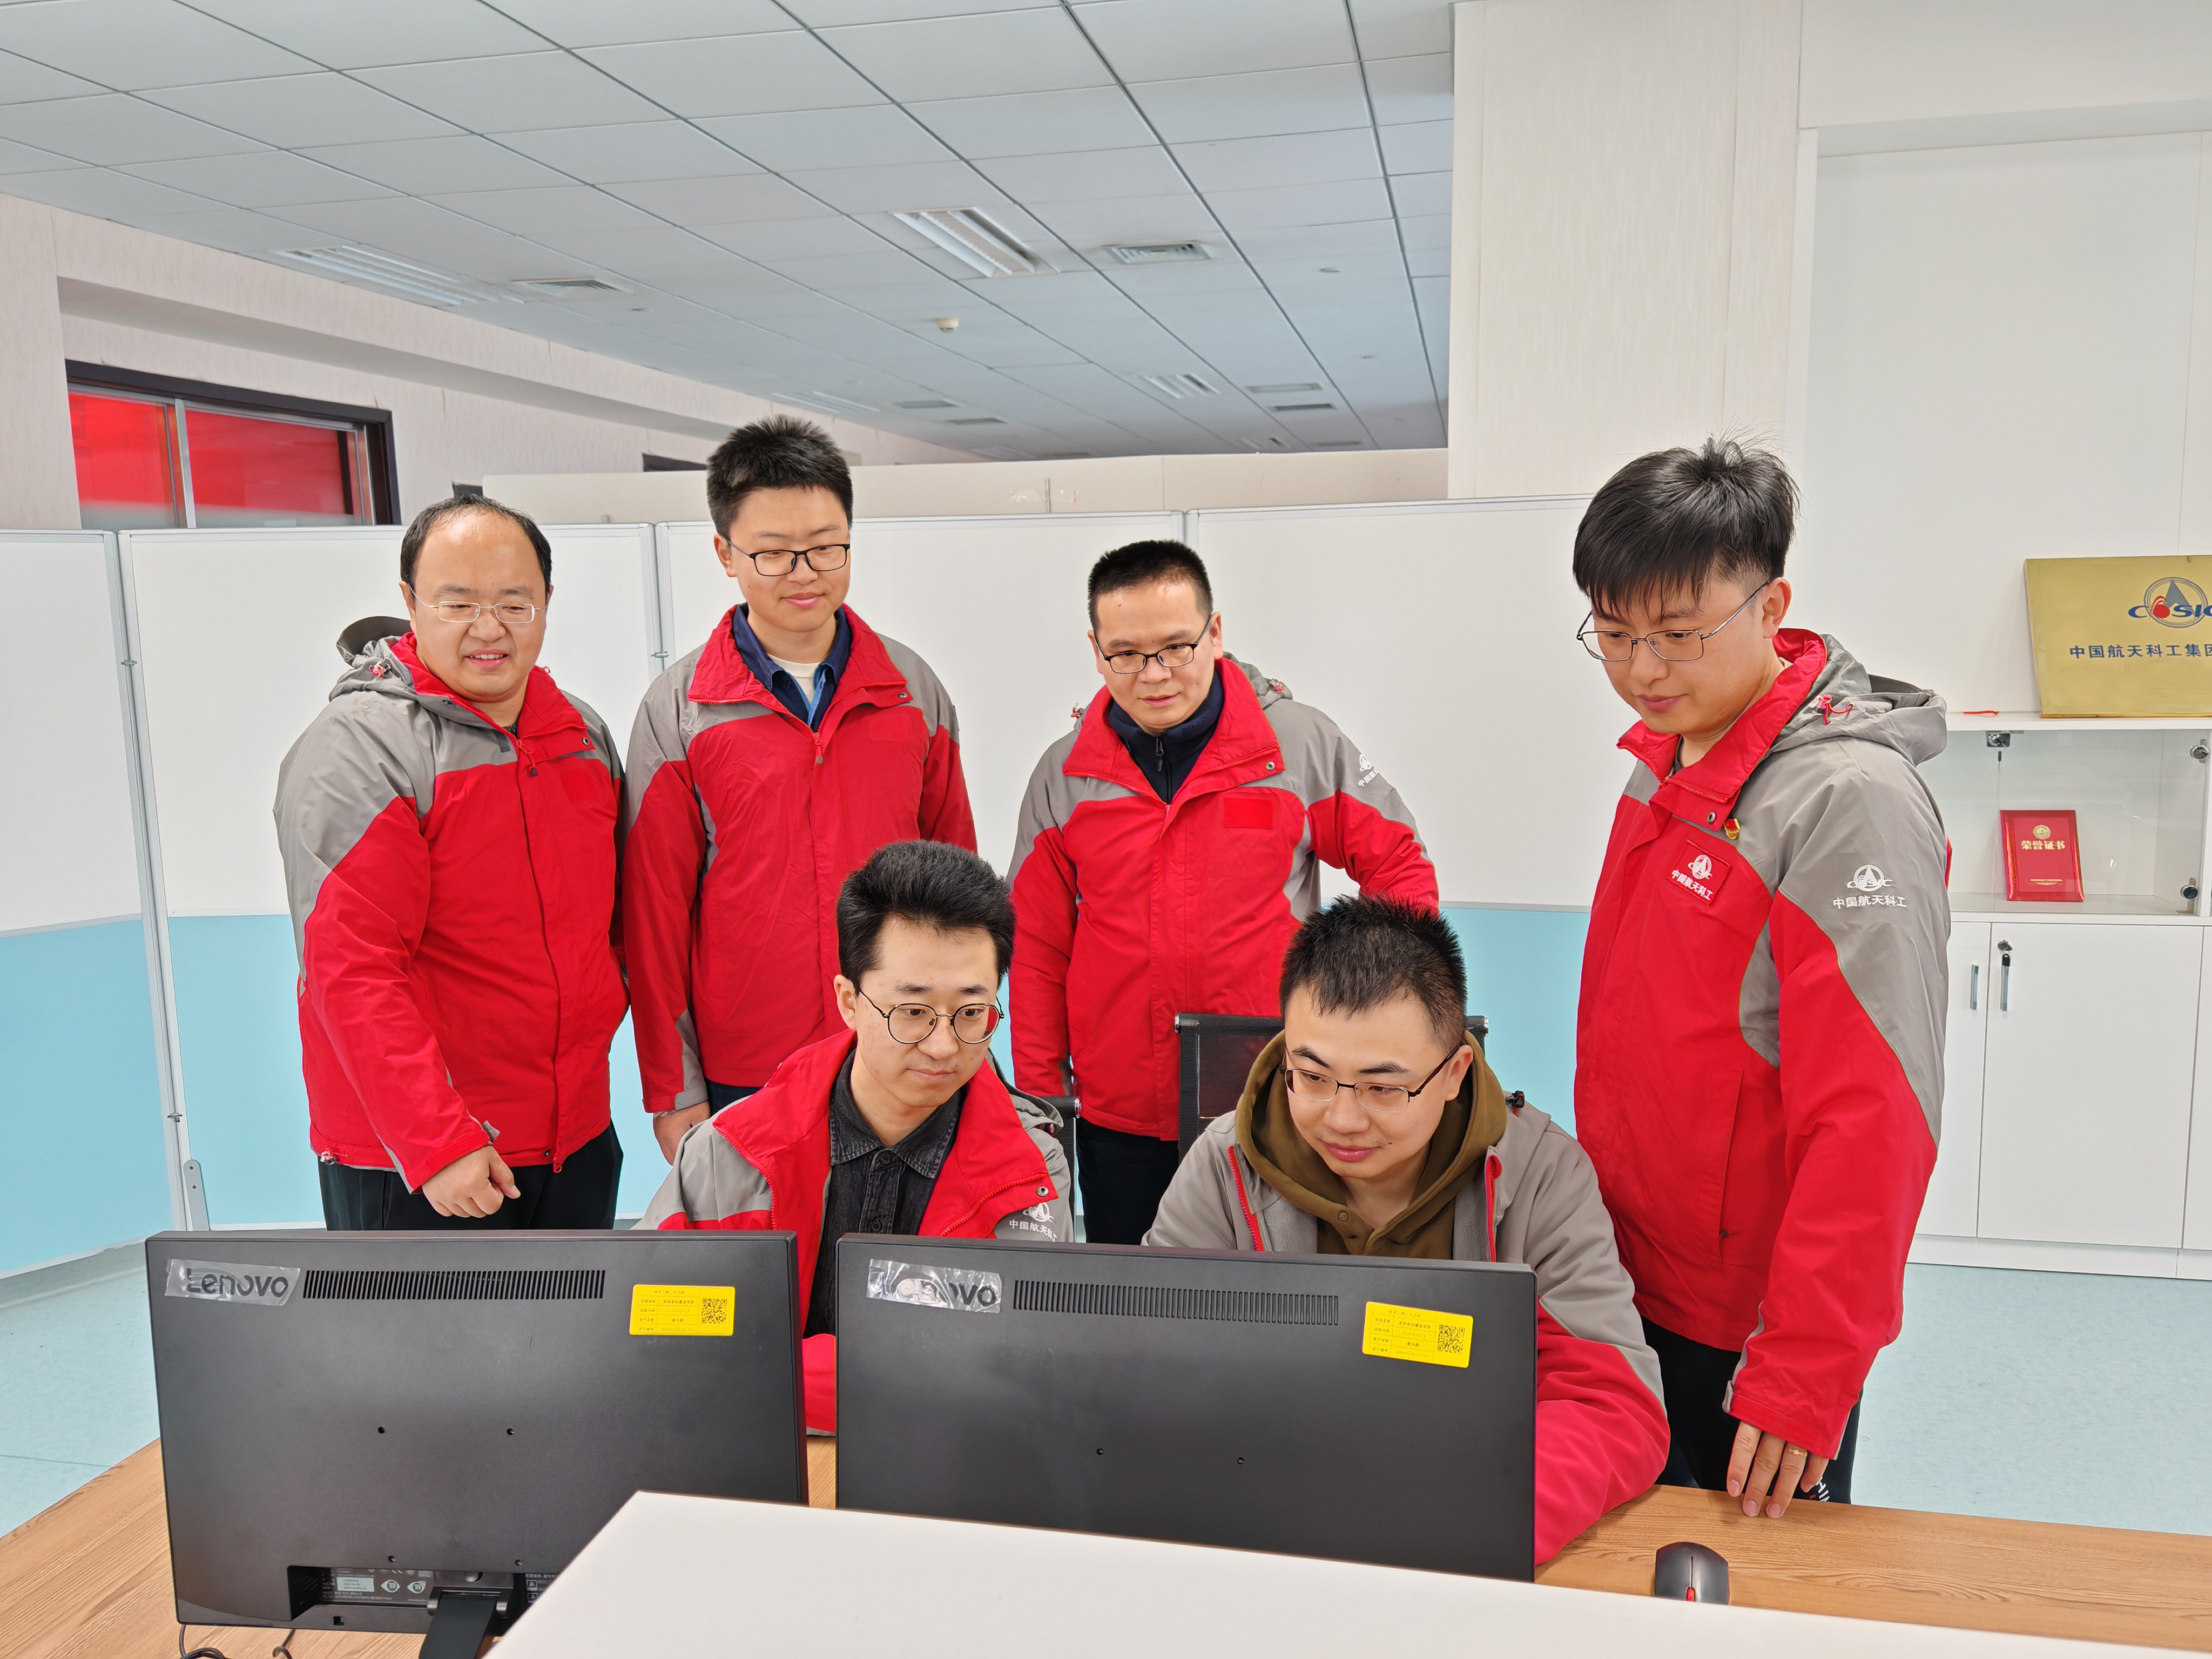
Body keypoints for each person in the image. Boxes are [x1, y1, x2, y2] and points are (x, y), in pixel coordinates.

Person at [1570, 439, 1948, 1518]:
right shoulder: (1667, 757)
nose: (1642, 668)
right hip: (1636, 1281)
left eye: (1677, 633)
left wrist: (1803, 1373)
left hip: (1748, 1326)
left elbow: (1874, 1115)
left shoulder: (1844, 801)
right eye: (1613, 634)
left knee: (1760, 1585)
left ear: (1770, 605)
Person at [1145, 896, 1667, 1563]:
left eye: (1383, 1089)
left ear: (1453, 1074)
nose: (1342, 1120)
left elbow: (1611, 1402)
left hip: (1463, 1519)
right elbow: (1153, 1367)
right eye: (1312, 1076)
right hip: (1277, 1518)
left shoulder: (1538, 1174)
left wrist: (1469, 1521)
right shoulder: (1224, 1167)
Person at [1009, 540, 1437, 1244]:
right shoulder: (1063, 776)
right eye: (1126, 654)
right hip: (1120, 1118)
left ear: (1214, 632)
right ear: (1096, 651)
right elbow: (1036, 949)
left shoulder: (1297, 744)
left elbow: (1400, 867)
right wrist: (1043, 1103)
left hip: (1269, 1100)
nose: (1155, 675)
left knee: (1273, 1293)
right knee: (1133, 1295)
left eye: (1176, 647)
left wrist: (1363, 1014)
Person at [623, 416, 976, 1161]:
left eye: (825, 547)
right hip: (747, 1059)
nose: (804, 572)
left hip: (899, 1043)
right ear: (725, 553)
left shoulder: (911, 690)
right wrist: (673, 1089)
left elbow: (958, 887)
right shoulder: (681, 709)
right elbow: (654, 915)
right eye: (773, 552)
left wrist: (961, 1041)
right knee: (768, 1232)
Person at [274, 497, 626, 1228]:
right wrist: (435, 1141)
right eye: (458, 603)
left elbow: (614, 929)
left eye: (514, 604)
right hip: (423, 1163)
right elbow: (351, 966)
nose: (489, 629)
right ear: (410, 602)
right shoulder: (361, 748)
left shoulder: (579, 734)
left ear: (546, 601)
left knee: (575, 1313)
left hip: (574, 1138)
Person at [642, 840, 1073, 1431]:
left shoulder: (1032, 1167)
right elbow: (658, 1336)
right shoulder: (728, 1151)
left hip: (943, 1460)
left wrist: (767, 1373)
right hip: (756, 1455)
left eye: (972, 1013)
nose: (943, 1046)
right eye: (913, 1012)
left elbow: (1009, 1370)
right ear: (849, 1001)